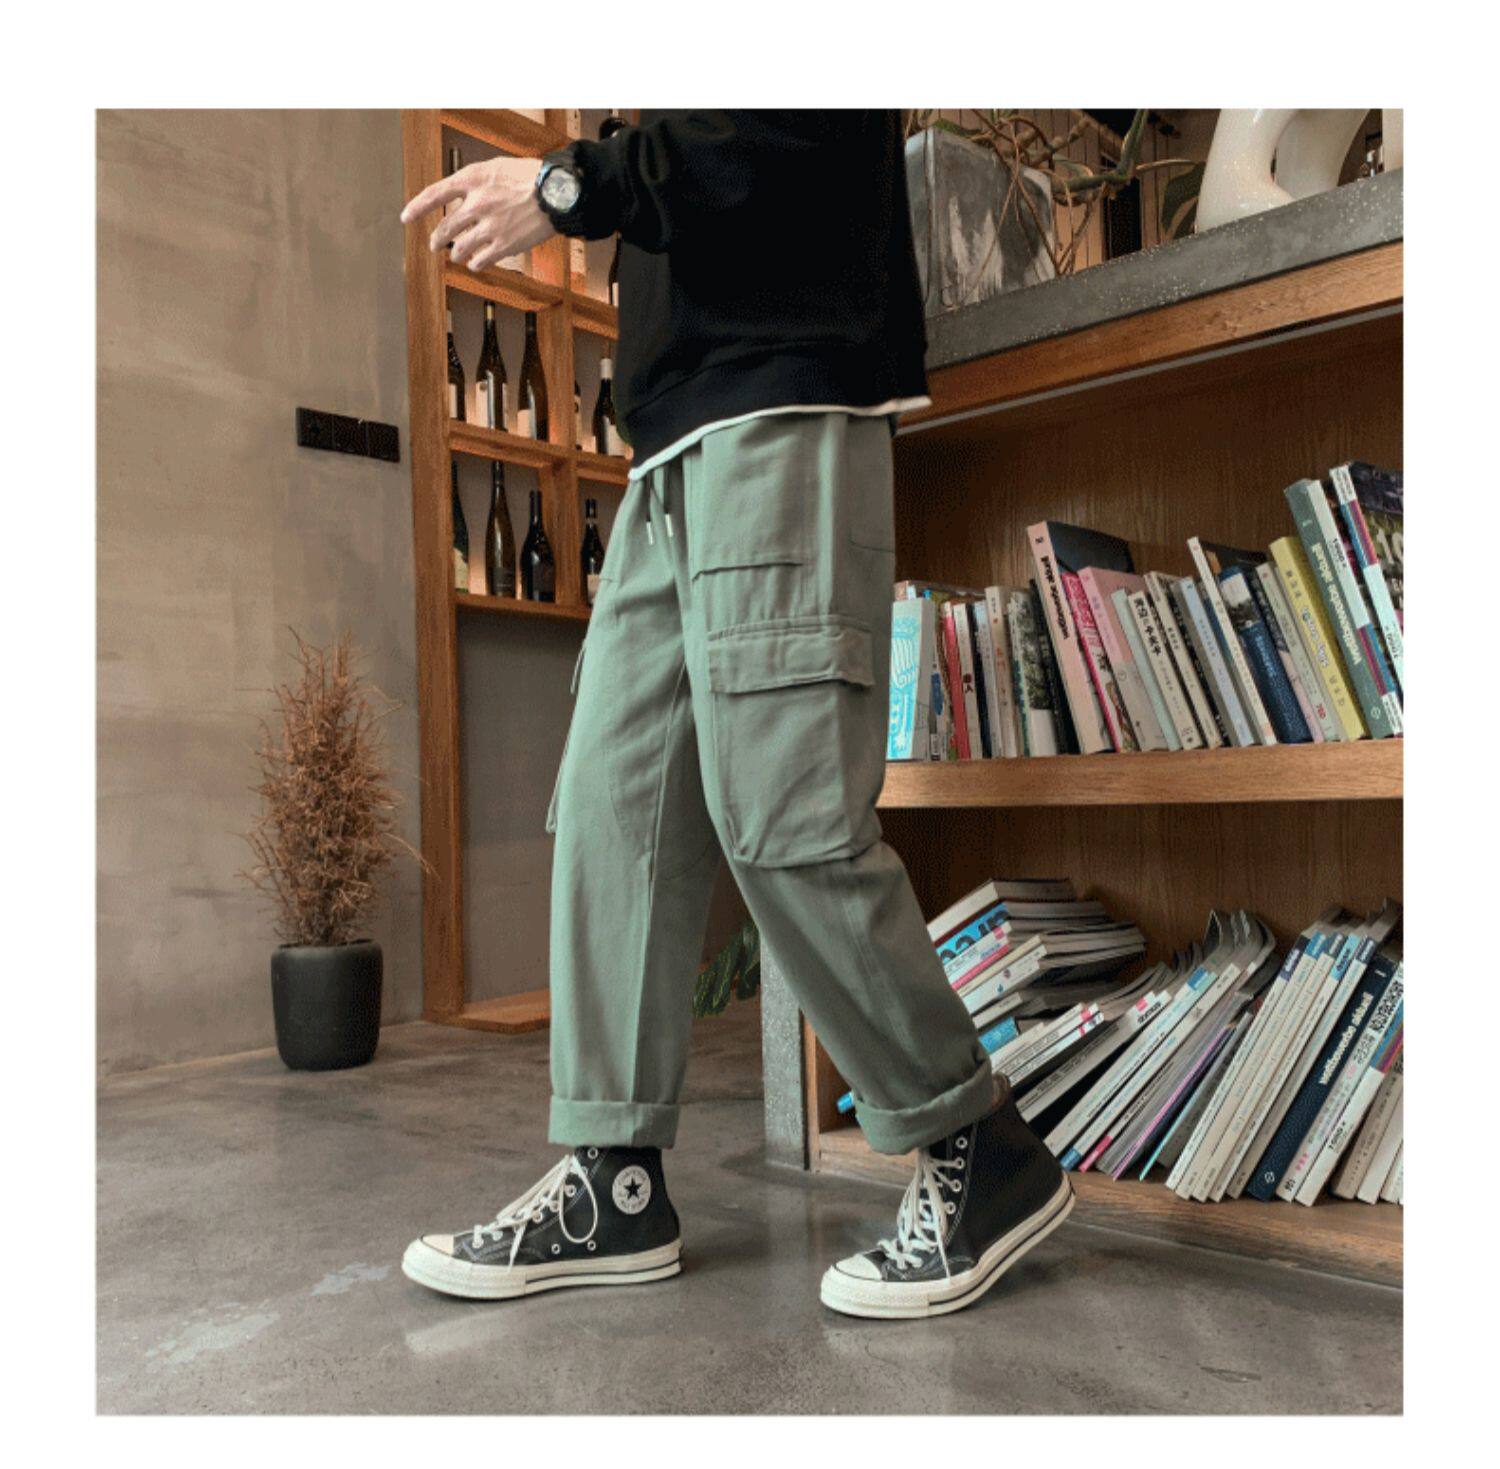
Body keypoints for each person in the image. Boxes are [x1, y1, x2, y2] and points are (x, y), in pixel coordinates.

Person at [397, 110, 1071, 1320]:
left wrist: (570, 185)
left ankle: (978, 1148)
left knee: (782, 811)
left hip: (782, 404)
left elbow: (790, 124)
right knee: (614, 806)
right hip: (670, 444)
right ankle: (614, 1178)